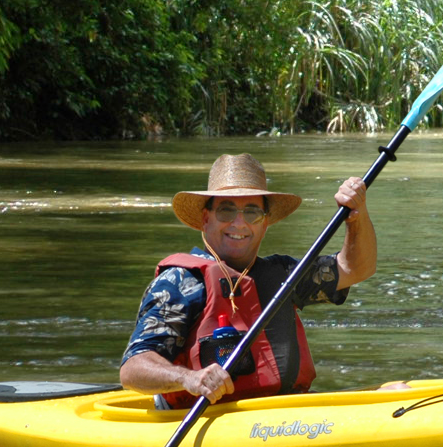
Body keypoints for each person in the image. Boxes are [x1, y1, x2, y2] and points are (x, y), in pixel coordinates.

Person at [120, 152, 377, 408]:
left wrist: (357, 215)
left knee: (396, 388)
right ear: (205, 219)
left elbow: (355, 268)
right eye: (226, 211)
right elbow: (133, 367)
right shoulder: (181, 282)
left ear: (264, 224)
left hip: (283, 412)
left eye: (252, 212)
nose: (239, 223)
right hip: (204, 418)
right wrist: (189, 378)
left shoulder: (285, 275)